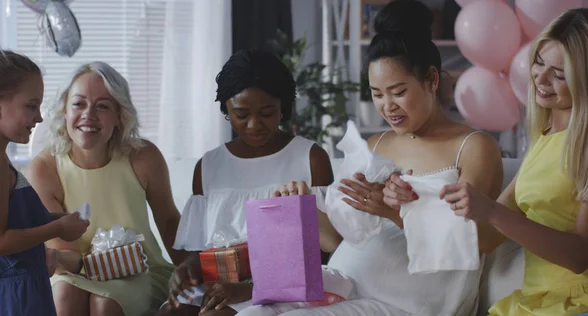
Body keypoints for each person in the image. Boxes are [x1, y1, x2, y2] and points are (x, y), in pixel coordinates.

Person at [237, 0, 504, 315]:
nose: (387, 105)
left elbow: (475, 240)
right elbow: (336, 236)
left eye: (398, 91)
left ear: (431, 79)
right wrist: (302, 208)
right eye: (377, 94)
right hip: (346, 282)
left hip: (408, 301)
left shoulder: (473, 146)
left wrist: (396, 212)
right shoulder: (376, 144)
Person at [159, 49, 338, 316]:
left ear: (284, 108)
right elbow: (200, 252)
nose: (254, 125)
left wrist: (252, 288)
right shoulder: (208, 166)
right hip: (220, 288)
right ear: (226, 110)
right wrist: (185, 270)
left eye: (266, 113)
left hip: (287, 288)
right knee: (169, 313)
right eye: (241, 115)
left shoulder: (310, 159)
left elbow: (324, 254)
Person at [441, 8, 588, 316]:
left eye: (559, 74)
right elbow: (487, 238)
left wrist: (492, 210)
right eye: (539, 62)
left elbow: (579, 256)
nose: (541, 79)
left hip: (576, 303)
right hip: (536, 301)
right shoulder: (543, 139)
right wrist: (409, 204)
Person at [26, 61, 182, 316]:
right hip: (73, 270)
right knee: (65, 293)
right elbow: (66, 255)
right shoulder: (44, 169)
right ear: (64, 110)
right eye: (78, 104)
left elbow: (169, 221)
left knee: (104, 303)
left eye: (102, 106)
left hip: (140, 271)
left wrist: (194, 272)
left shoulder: (143, 157)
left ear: (120, 115)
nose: (89, 114)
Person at [0, 50, 89, 316]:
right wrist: (56, 227)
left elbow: (12, 220)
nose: (40, 117)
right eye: (31, 105)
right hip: (16, 299)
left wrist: (58, 220)